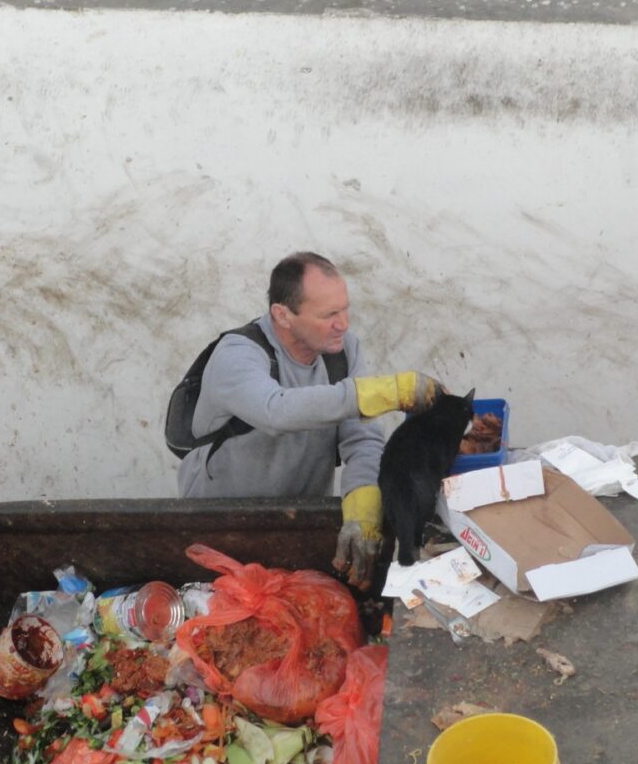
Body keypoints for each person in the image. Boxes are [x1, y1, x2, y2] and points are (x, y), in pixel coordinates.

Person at [177, 252, 443, 590]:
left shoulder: (343, 352)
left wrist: (362, 513)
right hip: (220, 532)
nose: (343, 324)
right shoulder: (237, 354)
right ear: (283, 315)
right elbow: (276, 411)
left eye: (345, 309)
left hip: (298, 525)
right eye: (329, 314)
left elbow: (362, 441)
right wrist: (384, 393)